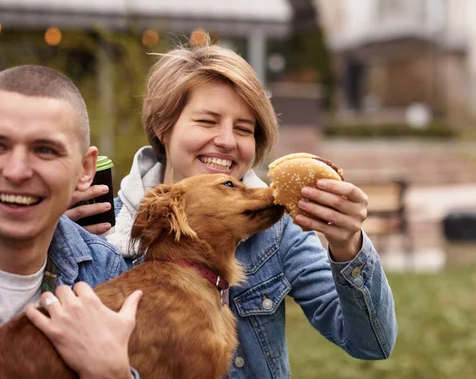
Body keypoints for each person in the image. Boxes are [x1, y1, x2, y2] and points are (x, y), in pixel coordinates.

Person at [68, 37, 398, 377]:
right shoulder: (104, 231)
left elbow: (372, 343)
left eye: (243, 129)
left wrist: (348, 244)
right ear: (163, 127)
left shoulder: (277, 228)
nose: (226, 141)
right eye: (207, 121)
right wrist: (50, 243)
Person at [0, 65, 142, 379]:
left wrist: (112, 373)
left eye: (45, 150)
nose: (16, 171)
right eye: (0, 146)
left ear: (85, 171)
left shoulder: (105, 272)